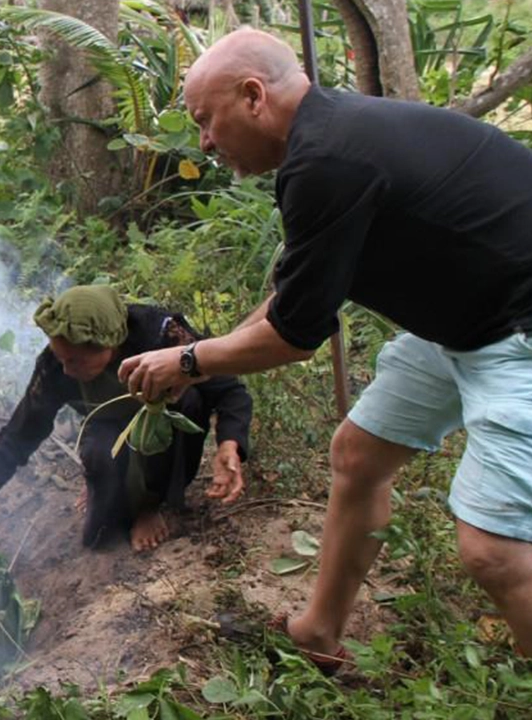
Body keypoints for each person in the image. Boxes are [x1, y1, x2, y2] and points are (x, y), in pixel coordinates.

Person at [120, 28, 532, 671]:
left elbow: (293, 338)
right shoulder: (328, 141)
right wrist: (199, 357)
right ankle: (317, 630)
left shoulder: (327, 159)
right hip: (467, 323)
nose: (203, 141)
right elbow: (293, 293)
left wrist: (189, 361)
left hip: (520, 334)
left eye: (206, 120)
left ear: (253, 96)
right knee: (359, 453)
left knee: (494, 551)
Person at [0, 285, 252, 551]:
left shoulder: (161, 336)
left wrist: (229, 443)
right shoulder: (57, 367)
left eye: (78, 361)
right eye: (61, 358)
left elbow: (228, 390)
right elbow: (18, 437)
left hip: (163, 418)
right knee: (100, 532)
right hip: (108, 423)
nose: (68, 370)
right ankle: (103, 487)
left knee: (189, 402)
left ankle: (150, 505)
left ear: (111, 343)